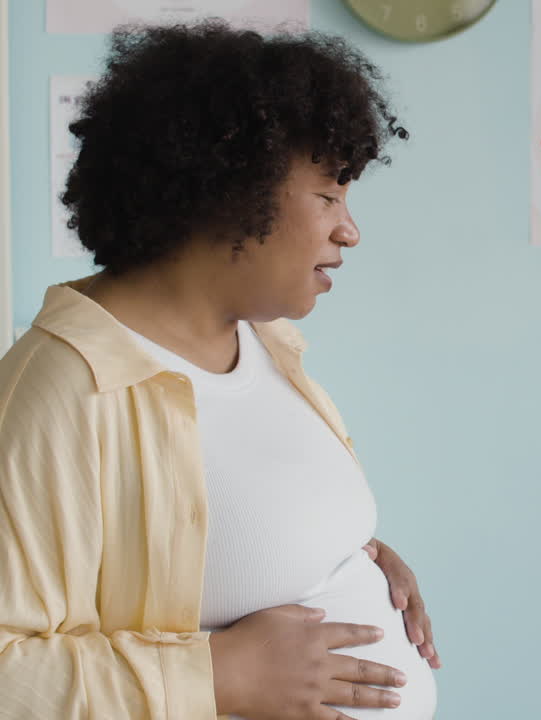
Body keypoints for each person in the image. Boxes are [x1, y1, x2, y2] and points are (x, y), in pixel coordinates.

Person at [0, 22, 439, 719]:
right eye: (328, 195)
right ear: (232, 188)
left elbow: (218, 532)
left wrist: (351, 556)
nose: (348, 229)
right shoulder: (64, 389)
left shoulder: (269, 344)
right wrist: (217, 674)